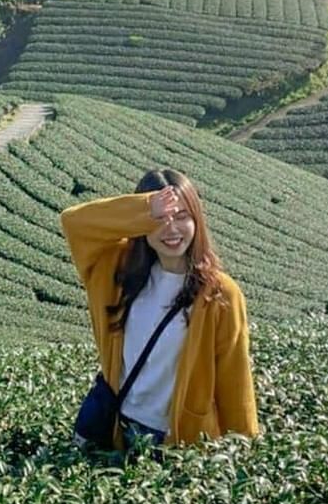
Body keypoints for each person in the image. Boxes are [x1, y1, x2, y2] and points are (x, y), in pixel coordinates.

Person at [60, 168, 258, 450]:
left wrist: (244, 447)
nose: (172, 229)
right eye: (160, 219)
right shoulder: (114, 271)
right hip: (121, 431)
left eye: (181, 217)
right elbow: (73, 222)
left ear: (197, 221)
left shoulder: (220, 294)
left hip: (179, 440)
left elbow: (235, 380)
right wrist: (144, 208)